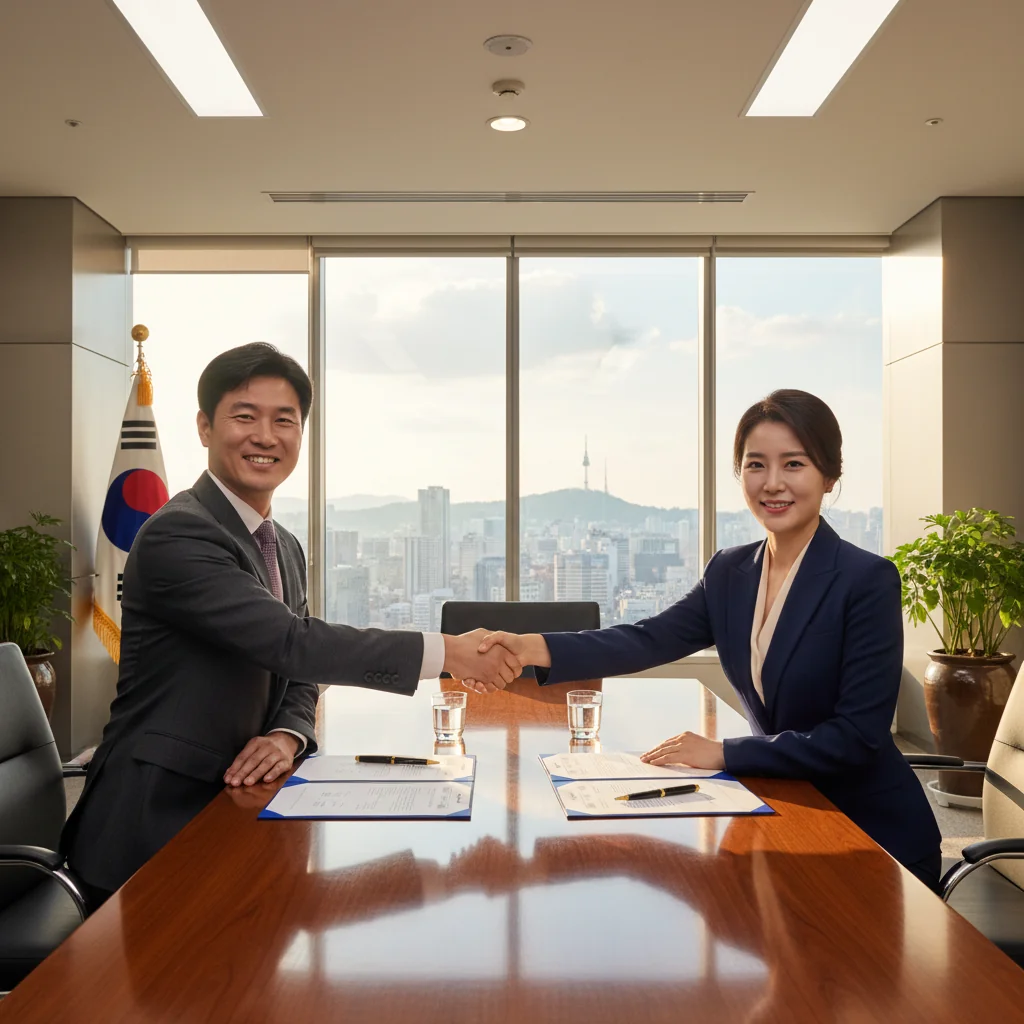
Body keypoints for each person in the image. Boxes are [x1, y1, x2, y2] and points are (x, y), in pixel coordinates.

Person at [62, 342, 521, 909]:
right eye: (245, 416)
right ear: (204, 427)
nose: (265, 436)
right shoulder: (178, 535)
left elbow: (297, 674)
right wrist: (449, 651)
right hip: (156, 821)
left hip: (243, 800)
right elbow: (292, 643)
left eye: (285, 420)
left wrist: (288, 734)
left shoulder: (283, 545)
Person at [475, 389, 942, 890]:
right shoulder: (731, 571)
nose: (774, 483)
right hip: (784, 806)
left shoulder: (865, 579)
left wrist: (725, 753)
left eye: (795, 464)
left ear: (829, 476)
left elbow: (856, 738)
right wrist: (530, 647)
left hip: (871, 833)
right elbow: (647, 639)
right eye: (756, 465)